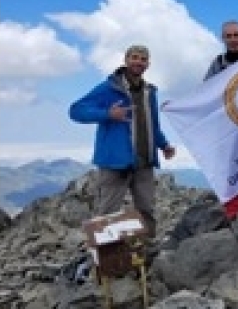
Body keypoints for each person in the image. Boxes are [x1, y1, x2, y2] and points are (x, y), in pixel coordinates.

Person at [68, 44, 176, 240]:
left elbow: (152, 124)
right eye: (134, 57)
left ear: (148, 64)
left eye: (143, 59)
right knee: (108, 212)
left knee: (146, 210)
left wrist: (164, 145)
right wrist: (107, 114)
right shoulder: (109, 88)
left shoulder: (149, 92)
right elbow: (76, 110)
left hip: (144, 162)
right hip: (115, 162)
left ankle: (147, 251)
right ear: (126, 61)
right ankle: (103, 259)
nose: (138, 62)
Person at [204, 20, 238, 220]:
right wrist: (178, 105)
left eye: (236, 35)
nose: (233, 40)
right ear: (223, 38)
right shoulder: (218, 64)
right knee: (229, 163)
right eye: (229, 36)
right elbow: (204, 92)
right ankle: (234, 210)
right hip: (229, 123)